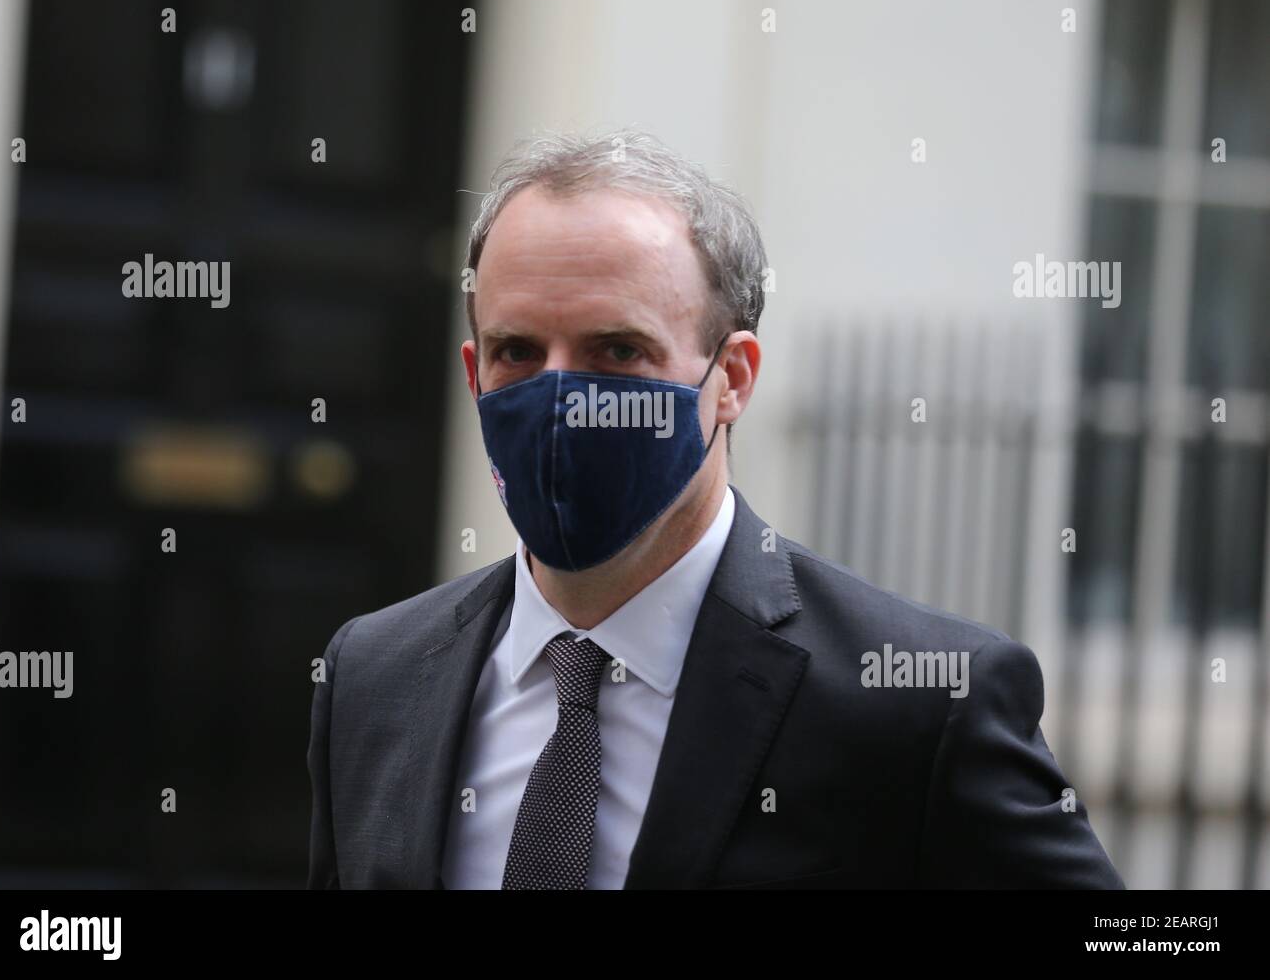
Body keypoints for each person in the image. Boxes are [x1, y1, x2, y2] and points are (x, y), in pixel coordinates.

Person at [306, 129, 1124, 890]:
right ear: (473, 371)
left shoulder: (918, 701)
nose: (563, 398)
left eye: (617, 351)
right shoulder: (374, 676)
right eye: (517, 351)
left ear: (731, 377)